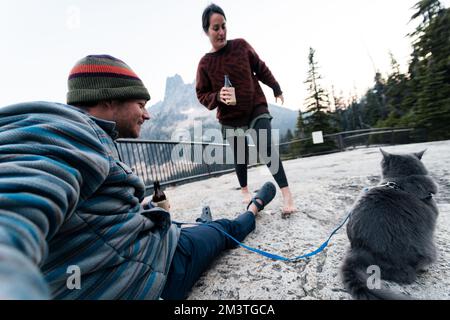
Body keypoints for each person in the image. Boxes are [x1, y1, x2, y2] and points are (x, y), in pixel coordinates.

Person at [0, 54, 276, 300]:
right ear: (108, 99)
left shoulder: (75, 131)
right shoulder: (68, 133)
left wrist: (131, 207)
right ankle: (253, 207)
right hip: (152, 271)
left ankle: (201, 223)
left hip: (125, 252)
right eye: (141, 103)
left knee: (178, 220)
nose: (147, 114)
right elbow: (12, 217)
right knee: (226, 229)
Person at [196, 3, 296, 216]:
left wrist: (275, 87)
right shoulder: (205, 64)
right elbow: (202, 94)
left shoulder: (241, 46)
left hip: (254, 107)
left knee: (266, 147)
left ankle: (287, 195)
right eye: (216, 28)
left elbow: (260, 68)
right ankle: (244, 189)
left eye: (223, 26)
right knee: (240, 154)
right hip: (230, 118)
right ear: (206, 31)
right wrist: (217, 97)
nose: (221, 32)